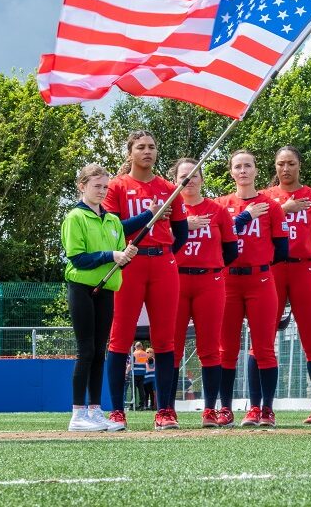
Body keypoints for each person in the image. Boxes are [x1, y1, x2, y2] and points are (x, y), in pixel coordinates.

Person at [102, 131, 188, 431]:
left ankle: (165, 410)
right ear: (130, 152)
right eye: (141, 147)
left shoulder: (169, 188)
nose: (147, 151)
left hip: (163, 263)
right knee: (120, 336)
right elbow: (112, 229)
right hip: (129, 263)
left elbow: (182, 232)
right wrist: (147, 218)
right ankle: (115, 411)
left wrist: (164, 253)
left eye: (152, 146)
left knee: (165, 338)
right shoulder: (116, 186)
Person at [261, 146, 311, 426]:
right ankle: (262, 408)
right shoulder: (265, 197)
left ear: (299, 165)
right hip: (273, 269)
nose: (285, 169)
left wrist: (310, 262)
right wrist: (284, 208)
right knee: (263, 338)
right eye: (280, 164)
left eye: (291, 163)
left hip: (305, 269)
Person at [62, 164, 138, 432]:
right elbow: (78, 258)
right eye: (97, 186)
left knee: (98, 352)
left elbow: (118, 260)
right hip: (82, 288)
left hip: (106, 290)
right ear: (82, 186)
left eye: (105, 186)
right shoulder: (75, 218)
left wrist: (125, 257)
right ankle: (77, 414)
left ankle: (94, 411)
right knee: (86, 351)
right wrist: (111, 255)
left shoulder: (113, 221)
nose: (102, 191)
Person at [217, 150, 288, 428]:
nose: (243, 170)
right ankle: (225, 409)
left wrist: (259, 261)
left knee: (264, 348)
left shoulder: (271, 206)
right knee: (227, 349)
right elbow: (216, 239)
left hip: (260, 280)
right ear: (231, 172)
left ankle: (264, 409)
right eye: (238, 166)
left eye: (248, 165)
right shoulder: (221, 205)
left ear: (256, 170)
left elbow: (282, 249)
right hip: (228, 281)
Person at [169, 158, 238, 428]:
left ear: (202, 180)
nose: (190, 180)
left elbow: (231, 251)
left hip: (209, 282)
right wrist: (185, 226)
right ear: (175, 180)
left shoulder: (218, 211)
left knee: (210, 348)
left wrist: (213, 267)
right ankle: (166, 410)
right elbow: (163, 245)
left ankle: (210, 409)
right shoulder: (168, 209)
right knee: (170, 348)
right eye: (184, 176)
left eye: (195, 175)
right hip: (175, 281)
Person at [131, 342, 148, 411]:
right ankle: (142, 405)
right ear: (141, 346)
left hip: (135, 374)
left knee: (133, 390)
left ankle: (133, 405)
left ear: (136, 347)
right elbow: (147, 363)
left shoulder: (134, 354)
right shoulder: (145, 354)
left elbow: (130, 364)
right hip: (142, 374)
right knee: (141, 390)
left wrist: (126, 372)